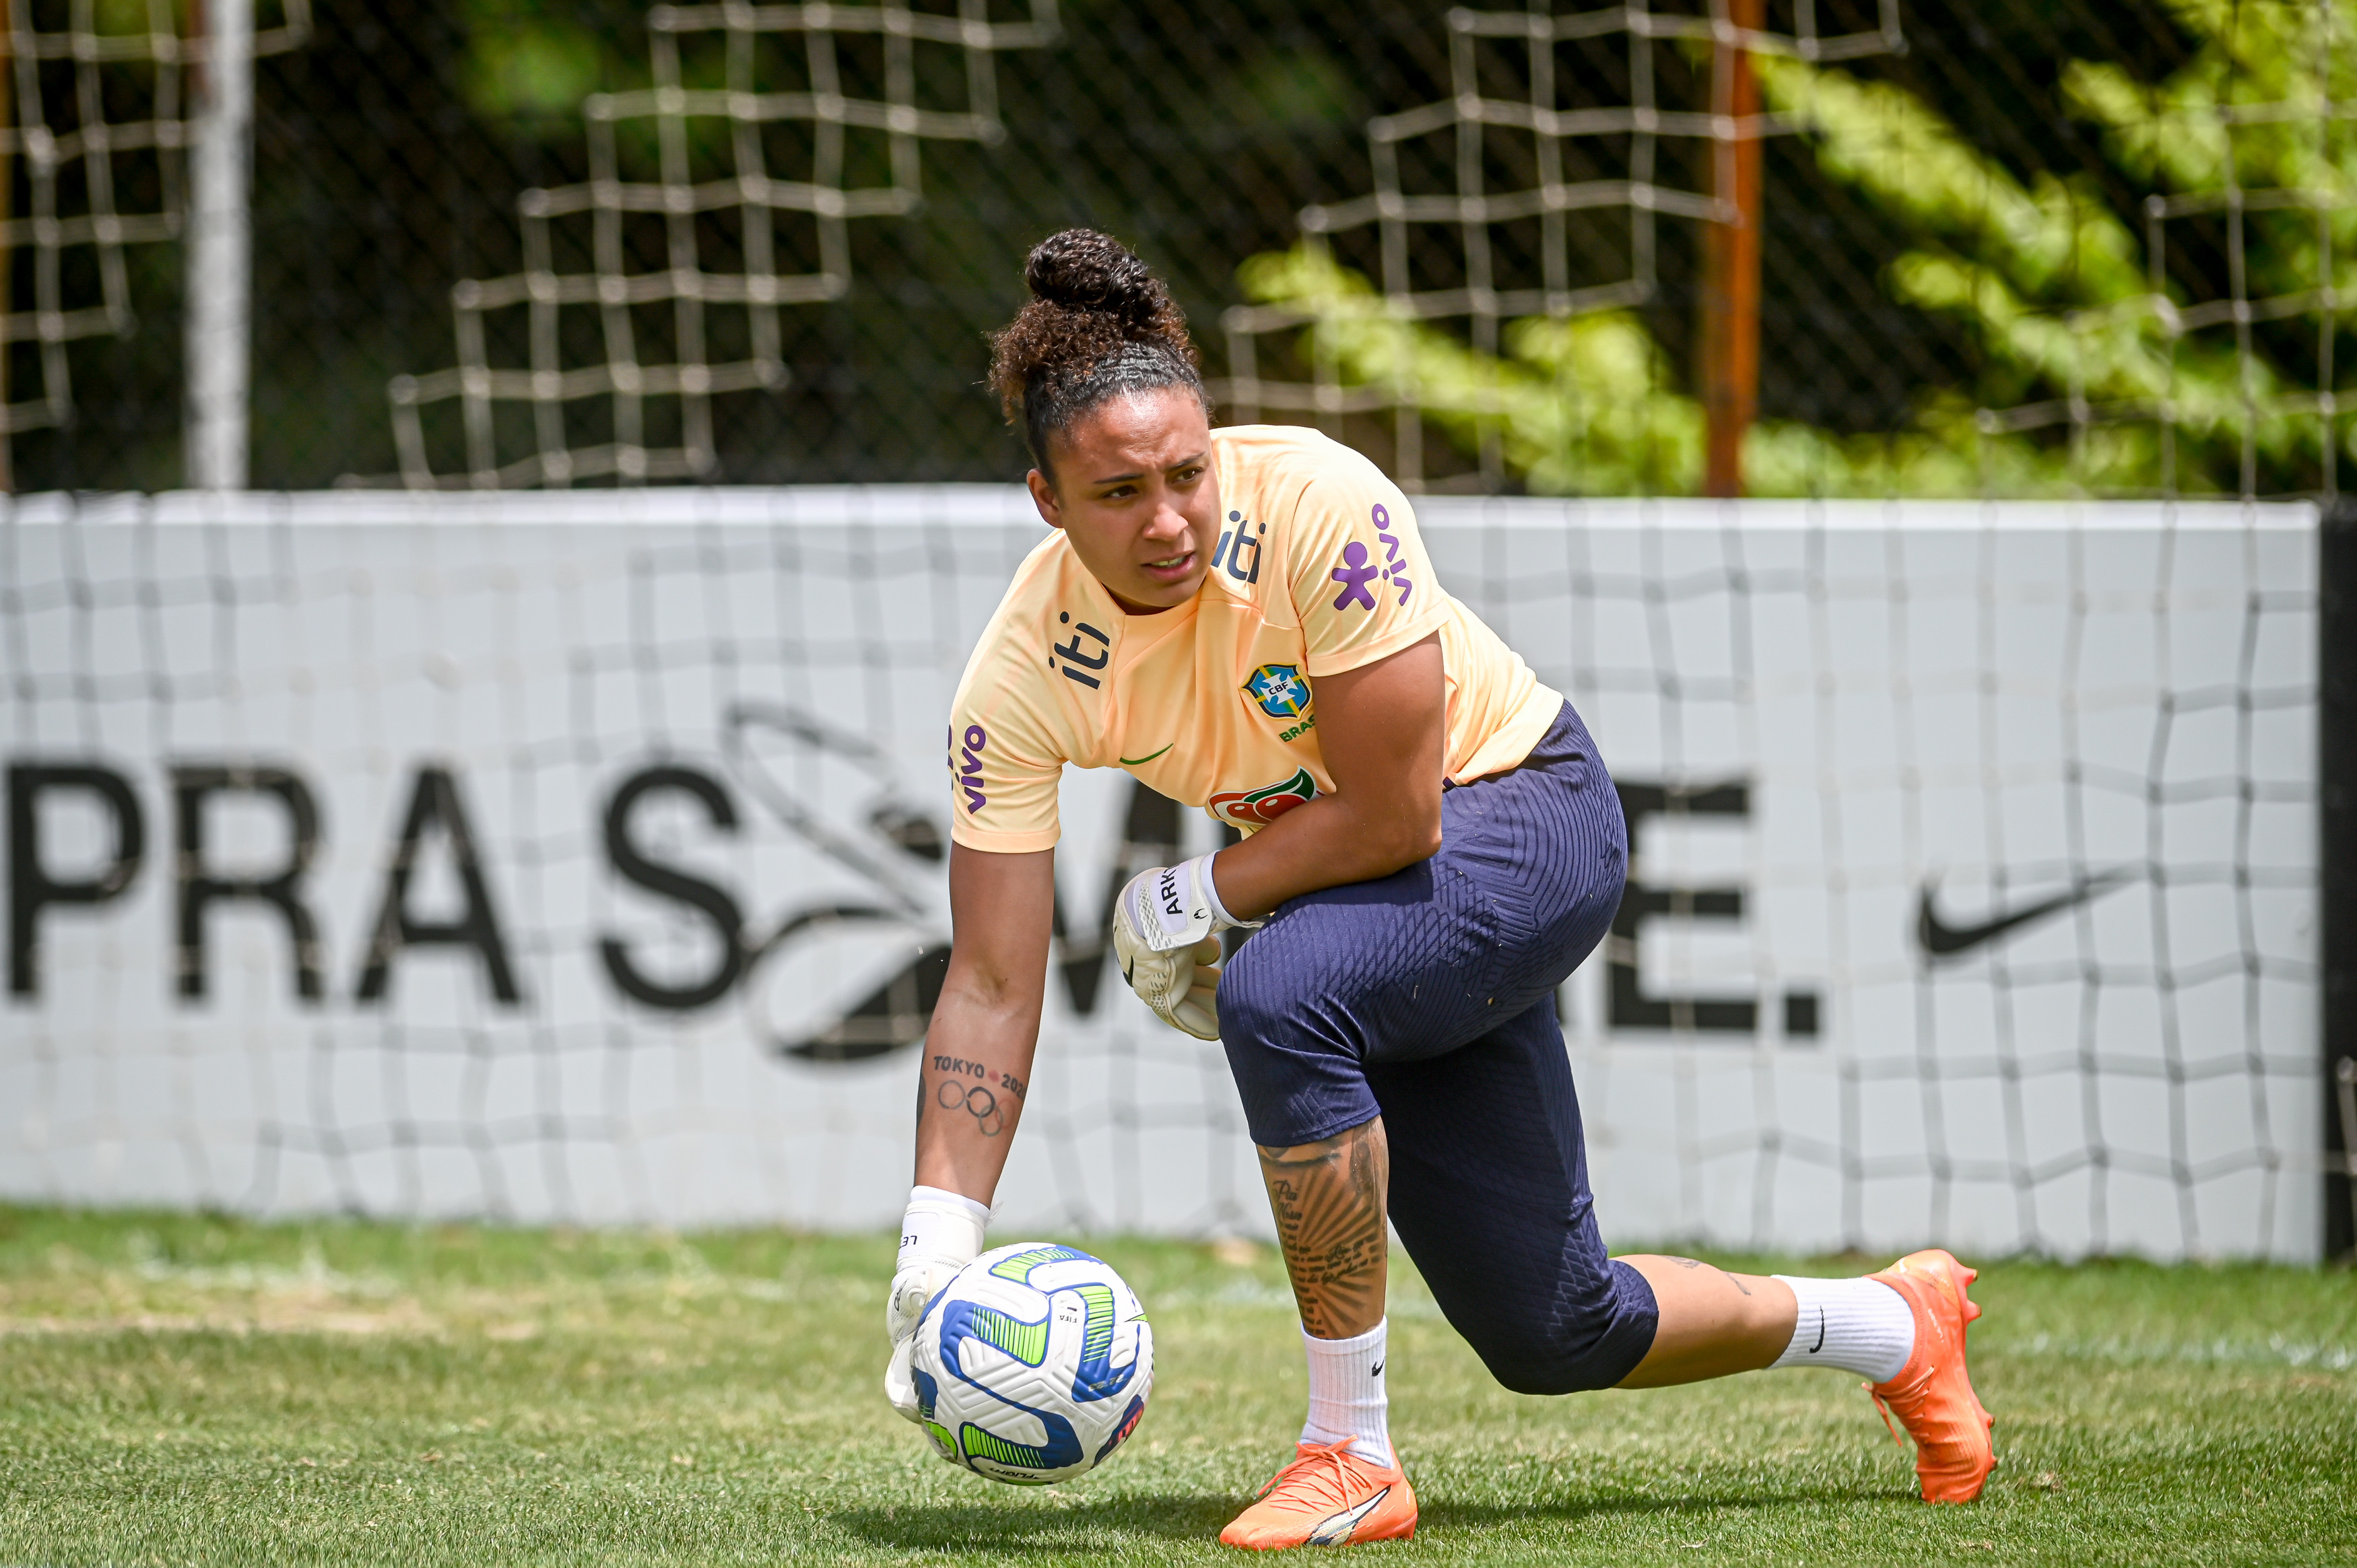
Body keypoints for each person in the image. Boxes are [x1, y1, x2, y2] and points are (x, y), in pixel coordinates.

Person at [884, 229, 1995, 1550]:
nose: (1170, 517)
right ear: (1047, 502)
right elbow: (995, 977)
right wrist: (934, 1246)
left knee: (1282, 993)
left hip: (1525, 813)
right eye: (1120, 493)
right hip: (1381, 888)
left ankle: (1347, 1453)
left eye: (1188, 472)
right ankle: (1894, 1323)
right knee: (1552, 1327)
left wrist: (1195, 895)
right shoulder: (1018, 674)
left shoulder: (1318, 505)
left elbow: (1402, 814)